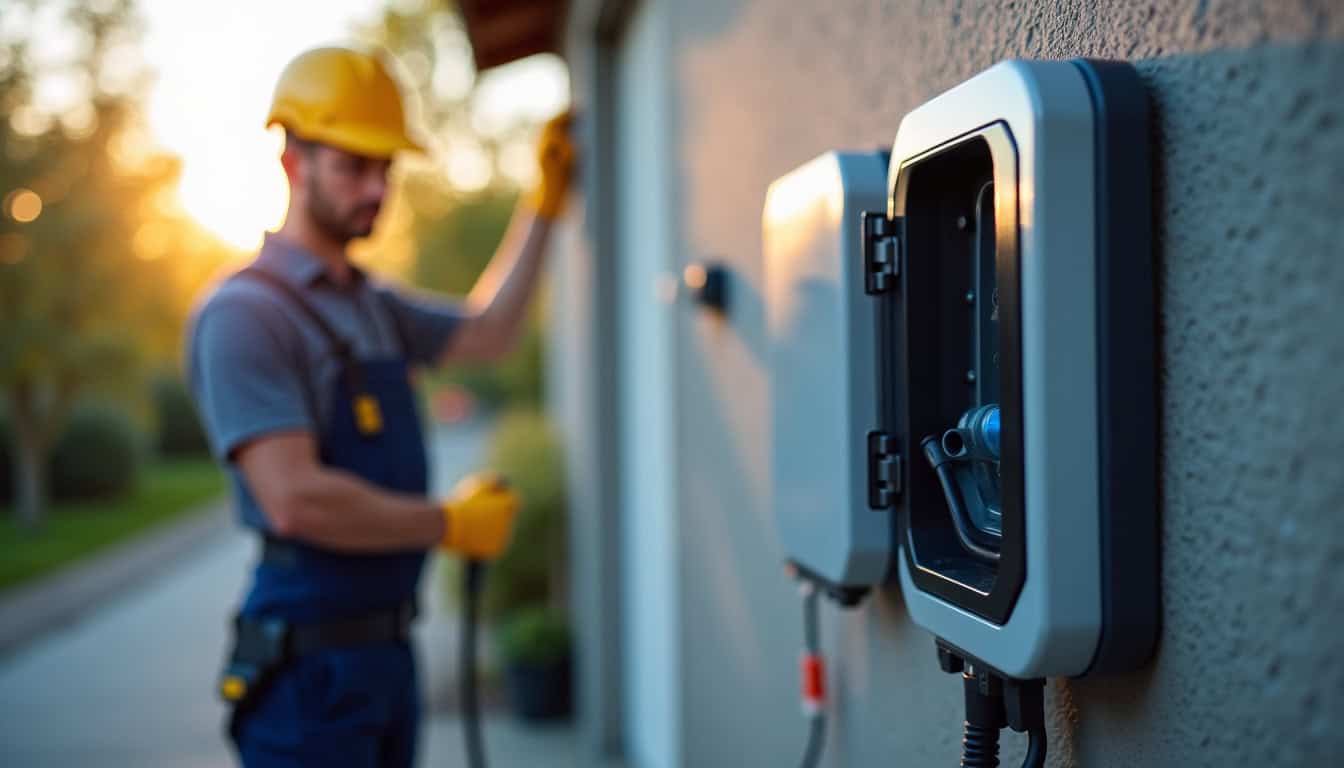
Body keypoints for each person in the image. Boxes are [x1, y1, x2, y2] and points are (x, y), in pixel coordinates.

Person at [185, 45, 575, 767]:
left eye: (386, 168)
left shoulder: (373, 305)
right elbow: (296, 500)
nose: (376, 189)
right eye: (353, 167)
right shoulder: (246, 315)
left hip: (388, 658)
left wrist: (543, 206)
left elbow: (491, 332)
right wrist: (447, 523)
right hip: (308, 678)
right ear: (292, 164)